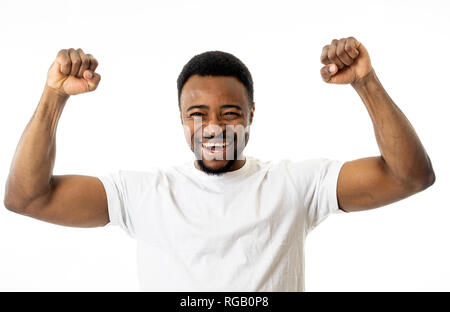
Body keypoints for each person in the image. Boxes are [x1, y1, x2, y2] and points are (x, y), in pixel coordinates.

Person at [3, 37, 435, 291]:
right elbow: (27, 198)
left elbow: (410, 176)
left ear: (250, 116)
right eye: (197, 115)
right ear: (180, 119)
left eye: (230, 114)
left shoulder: (297, 184)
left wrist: (365, 81)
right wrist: (54, 95)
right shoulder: (141, 193)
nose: (213, 127)